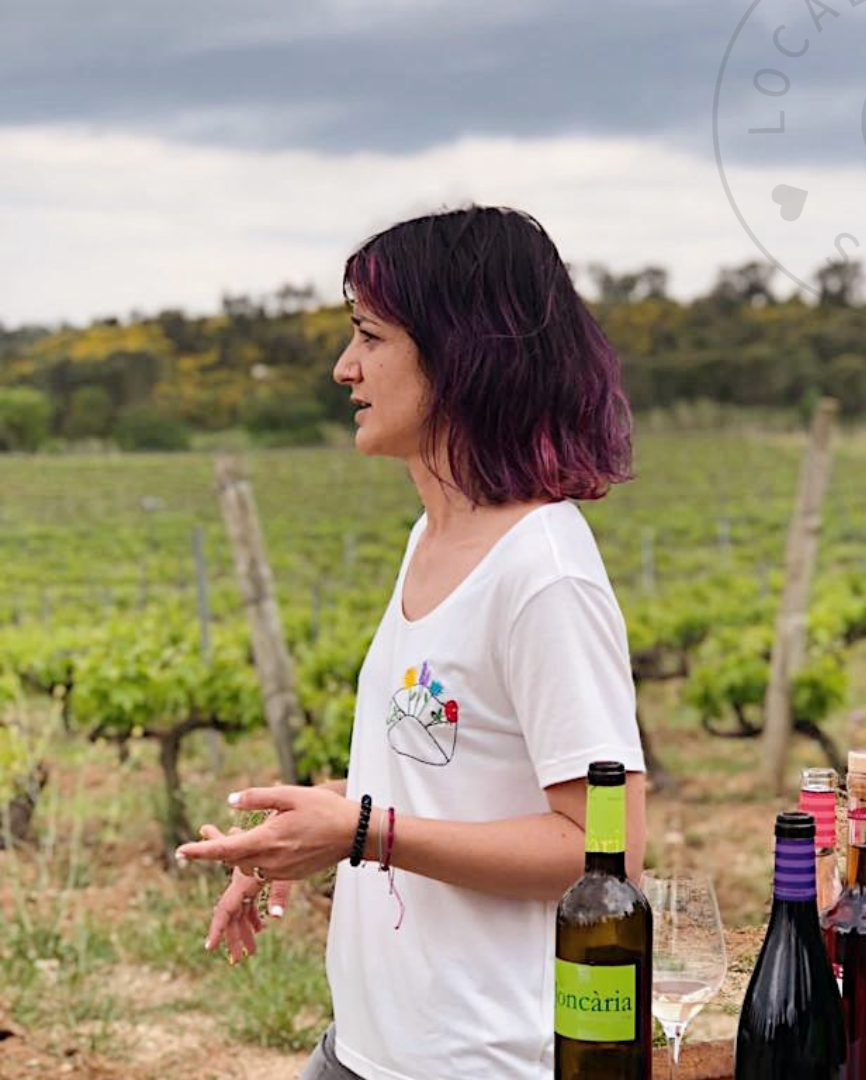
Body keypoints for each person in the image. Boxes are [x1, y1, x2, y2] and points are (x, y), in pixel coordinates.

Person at [176, 205, 647, 1080]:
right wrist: (310, 827)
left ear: (462, 356)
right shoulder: (431, 540)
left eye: (370, 336)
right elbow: (445, 775)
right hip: (367, 1049)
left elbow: (598, 847)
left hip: (481, 1061)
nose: (343, 367)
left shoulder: (543, 573)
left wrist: (360, 830)